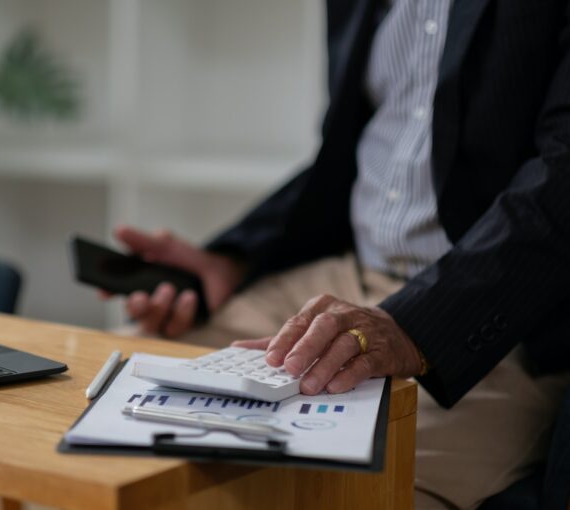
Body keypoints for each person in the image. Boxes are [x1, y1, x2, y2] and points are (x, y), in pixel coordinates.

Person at [101, 1, 570, 508]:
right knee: (100, 417)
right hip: (336, 283)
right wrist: (234, 258)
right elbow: (345, 153)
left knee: (320, 495)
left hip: (486, 314)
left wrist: (417, 326)